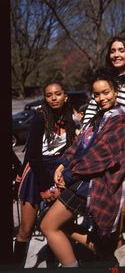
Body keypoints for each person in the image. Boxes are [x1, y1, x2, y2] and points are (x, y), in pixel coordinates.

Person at [40, 68, 125, 268]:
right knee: (53, 224)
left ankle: (88, 257)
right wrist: (62, 164)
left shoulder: (119, 118)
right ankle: (101, 250)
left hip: (90, 185)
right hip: (81, 181)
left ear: (115, 91)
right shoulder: (100, 116)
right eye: (97, 94)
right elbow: (79, 144)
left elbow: (102, 157)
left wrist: (69, 174)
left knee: (48, 225)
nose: (101, 98)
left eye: (106, 92)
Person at [83, 36, 125, 245]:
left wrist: (120, 129)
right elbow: (92, 109)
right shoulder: (103, 79)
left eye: (121, 50)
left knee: (118, 196)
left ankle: (115, 237)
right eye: (113, 51)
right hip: (99, 146)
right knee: (97, 191)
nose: (116, 54)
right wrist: (84, 132)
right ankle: (99, 235)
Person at [12, 80, 77, 267]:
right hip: (36, 172)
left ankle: (53, 263)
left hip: (58, 171)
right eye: (49, 95)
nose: (54, 98)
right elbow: (32, 154)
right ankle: (16, 267)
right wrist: (43, 189)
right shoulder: (40, 116)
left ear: (65, 96)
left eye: (57, 94)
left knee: (54, 225)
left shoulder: (69, 117)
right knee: (26, 228)